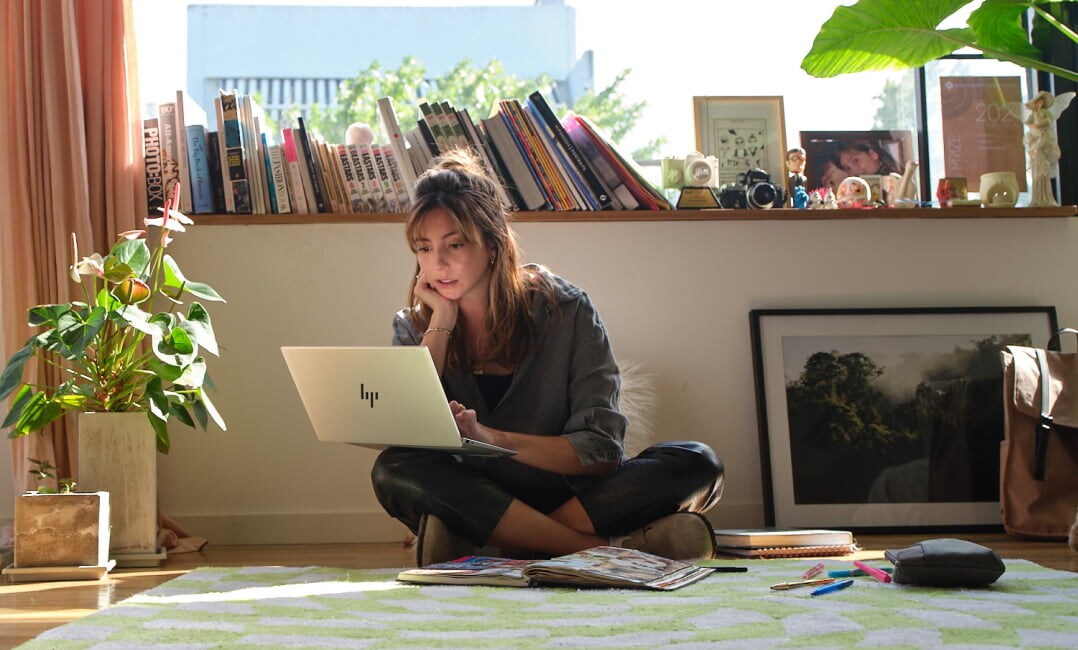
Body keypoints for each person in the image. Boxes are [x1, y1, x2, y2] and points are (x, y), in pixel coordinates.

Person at [370, 150, 724, 566]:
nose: (437, 264)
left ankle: (499, 546)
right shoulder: (414, 326)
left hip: (570, 494)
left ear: (493, 245)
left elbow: (601, 450)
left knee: (698, 462)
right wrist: (443, 320)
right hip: (473, 493)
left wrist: (493, 439)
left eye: (455, 244)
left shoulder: (567, 309)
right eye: (424, 248)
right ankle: (602, 551)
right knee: (392, 469)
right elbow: (409, 437)